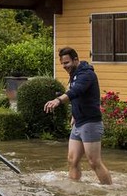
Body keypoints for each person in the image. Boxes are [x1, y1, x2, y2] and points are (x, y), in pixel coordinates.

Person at [43, 47, 112, 185]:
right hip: (79, 122)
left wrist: (58, 100)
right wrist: (75, 114)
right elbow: (78, 97)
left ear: (76, 59)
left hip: (90, 123)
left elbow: (76, 91)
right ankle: (75, 188)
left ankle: (109, 190)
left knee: (94, 162)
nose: (64, 66)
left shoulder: (87, 74)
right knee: (72, 159)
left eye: (67, 63)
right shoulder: (74, 74)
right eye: (62, 63)